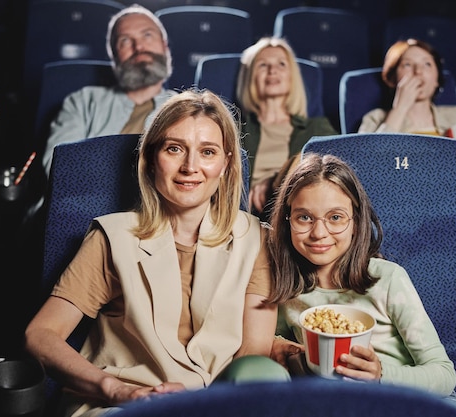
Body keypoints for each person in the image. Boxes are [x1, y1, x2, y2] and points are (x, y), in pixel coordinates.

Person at [24, 89, 288, 417]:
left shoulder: (257, 241)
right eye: (174, 149)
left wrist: (198, 404)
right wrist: (117, 390)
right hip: (120, 404)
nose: (190, 166)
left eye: (207, 152)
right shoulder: (112, 236)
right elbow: (41, 335)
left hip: (215, 405)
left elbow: (252, 359)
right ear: (150, 160)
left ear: (225, 164)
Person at [266, 153, 456, 415]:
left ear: (355, 222)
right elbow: (273, 341)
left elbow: (444, 374)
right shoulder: (287, 288)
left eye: (335, 217)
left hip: (415, 401)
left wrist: (381, 375)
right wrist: (276, 344)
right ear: (287, 221)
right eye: (304, 218)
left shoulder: (388, 279)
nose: (319, 233)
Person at [358, 38, 456, 203]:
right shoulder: (376, 118)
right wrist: (400, 109)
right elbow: (367, 170)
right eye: (407, 65)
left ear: (437, 79)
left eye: (427, 64)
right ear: (393, 78)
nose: (418, 71)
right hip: (406, 203)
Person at [41, 4, 177, 176]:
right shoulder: (83, 102)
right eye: (125, 41)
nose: (139, 47)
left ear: (165, 47)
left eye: (147, 35)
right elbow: (59, 167)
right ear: (114, 55)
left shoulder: (184, 110)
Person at [235, 36, 338, 221]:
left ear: (292, 77)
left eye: (281, 64)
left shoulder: (317, 129)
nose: (272, 70)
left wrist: (272, 183)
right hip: (246, 218)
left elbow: (339, 173)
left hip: (302, 216)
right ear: (250, 77)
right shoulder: (234, 129)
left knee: (304, 159)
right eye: (262, 65)